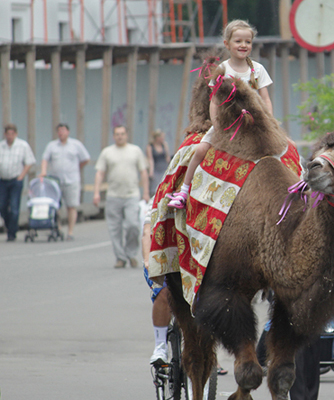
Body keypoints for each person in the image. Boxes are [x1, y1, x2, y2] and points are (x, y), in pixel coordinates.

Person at [167, 19, 273, 209]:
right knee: (200, 150)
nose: (243, 45)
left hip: (253, 122)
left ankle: (295, 187)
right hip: (227, 123)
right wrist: (217, 124)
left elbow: (265, 98)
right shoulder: (222, 70)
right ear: (227, 44)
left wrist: (268, 121)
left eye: (247, 42)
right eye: (238, 41)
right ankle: (184, 191)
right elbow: (215, 100)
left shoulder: (257, 70)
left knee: (284, 150)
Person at [93, 126, 149, 268]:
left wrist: (146, 192)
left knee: (133, 225)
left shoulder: (135, 150)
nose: (120, 136)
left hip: (131, 194)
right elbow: (100, 173)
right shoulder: (107, 152)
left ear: (127, 135)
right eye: (117, 134)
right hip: (113, 195)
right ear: (113, 136)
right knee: (115, 228)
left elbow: (143, 172)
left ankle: (131, 253)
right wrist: (96, 193)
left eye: (122, 134)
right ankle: (120, 257)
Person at [39, 123, 91, 240]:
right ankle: (58, 228)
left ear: (68, 132)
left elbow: (86, 159)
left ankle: (70, 231)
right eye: (59, 131)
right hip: (56, 180)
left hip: (71, 180)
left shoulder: (76, 145)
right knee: (55, 206)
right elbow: (45, 159)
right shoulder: (52, 146)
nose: (61, 133)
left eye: (63, 130)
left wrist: (77, 167)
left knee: (71, 206)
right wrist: (43, 171)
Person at [0, 123, 36, 241]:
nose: (10, 136)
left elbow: (29, 162)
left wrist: (22, 175)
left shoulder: (22, 145)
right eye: (8, 134)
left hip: (16, 179)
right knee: (2, 206)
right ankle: (10, 226)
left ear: (16, 134)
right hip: (3, 179)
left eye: (12, 134)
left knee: (14, 207)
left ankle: (12, 232)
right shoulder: (0, 146)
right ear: (4, 135)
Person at [141, 198, 172, 364]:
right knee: (165, 292)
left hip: (188, 260)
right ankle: (160, 345)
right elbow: (147, 234)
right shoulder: (159, 197)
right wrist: (148, 260)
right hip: (161, 258)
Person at [146, 129, 170, 198]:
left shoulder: (164, 145)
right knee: (155, 188)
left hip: (164, 167)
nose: (163, 139)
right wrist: (151, 172)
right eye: (161, 137)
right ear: (157, 138)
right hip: (156, 168)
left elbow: (167, 157)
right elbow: (150, 159)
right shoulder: (150, 147)